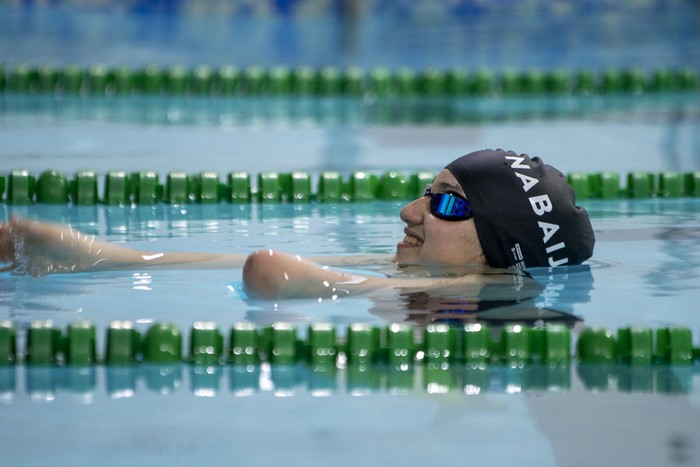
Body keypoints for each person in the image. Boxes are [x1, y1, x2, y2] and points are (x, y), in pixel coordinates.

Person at [0, 149, 595, 304]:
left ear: (501, 252)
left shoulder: (461, 292)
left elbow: (268, 273)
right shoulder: (440, 271)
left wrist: (307, 281)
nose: (410, 211)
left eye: (445, 204)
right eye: (424, 192)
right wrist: (95, 254)